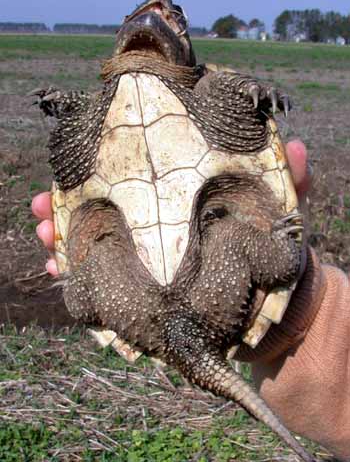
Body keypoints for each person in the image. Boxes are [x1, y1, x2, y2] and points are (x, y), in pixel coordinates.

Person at [32, 140, 350, 460]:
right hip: (181, 279)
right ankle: (280, 261)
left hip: (131, 296)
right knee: (229, 237)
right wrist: (307, 311)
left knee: (88, 277)